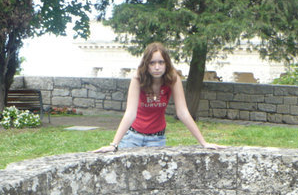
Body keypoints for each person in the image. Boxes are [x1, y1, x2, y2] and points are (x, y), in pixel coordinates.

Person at [94, 42, 222, 152]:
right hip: (133, 137)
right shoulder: (138, 78)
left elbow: (182, 112)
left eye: (161, 62)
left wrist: (204, 143)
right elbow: (130, 113)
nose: (157, 67)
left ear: (166, 63)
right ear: (146, 64)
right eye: (152, 63)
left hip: (157, 139)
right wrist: (114, 144)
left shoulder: (173, 78)